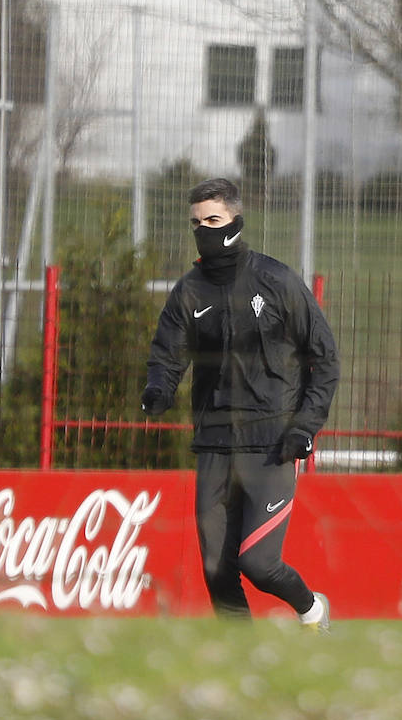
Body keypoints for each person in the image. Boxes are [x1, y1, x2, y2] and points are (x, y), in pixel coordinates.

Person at [142, 178, 338, 631]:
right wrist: (158, 389)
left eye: (213, 220)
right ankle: (240, 653)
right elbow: (167, 355)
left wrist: (303, 427)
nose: (205, 231)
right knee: (216, 568)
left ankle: (313, 611)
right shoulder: (189, 291)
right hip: (213, 445)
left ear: (236, 222)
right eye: (197, 224)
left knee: (259, 563)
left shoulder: (277, 281)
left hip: (273, 445)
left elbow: (325, 360)